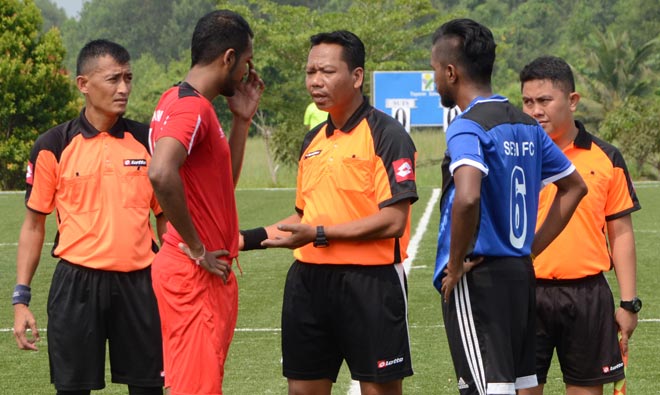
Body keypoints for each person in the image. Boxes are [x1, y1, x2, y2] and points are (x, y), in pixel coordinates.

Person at [241, 30, 418, 395]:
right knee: (303, 389)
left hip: (370, 285)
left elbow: (394, 221)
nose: (315, 82)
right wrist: (245, 239)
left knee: (379, 390)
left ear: (356, 77)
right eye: (310, 72)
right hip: (308, 284)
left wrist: (320, 235)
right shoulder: (313, 141)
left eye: (326, 72)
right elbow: (303, 219)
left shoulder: (387, 134)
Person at [430, 19, 588, 395]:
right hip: (519, 275)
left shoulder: (468, 126)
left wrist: (454, 265)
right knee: (522, 385)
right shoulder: (525, 124)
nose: (435, 78)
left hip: (479, 277)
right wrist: (529, 248)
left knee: (487, 388)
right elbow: (574, 186)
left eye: (435, 70)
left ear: (451, 72)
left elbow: (468, 196)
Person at [12, 39, 166, 395]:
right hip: (75, 285)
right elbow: (34, 224)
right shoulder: (53, 144)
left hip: (141, 285)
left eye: (128, 78)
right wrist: (21, 299)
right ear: (83, 84)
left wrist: (172, 276)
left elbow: (165, 216)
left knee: (149, 389)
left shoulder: (150, 141)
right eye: (113, 79)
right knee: (72, 390)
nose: (124, 88)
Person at [147, 9, 264, 395]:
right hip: (193, 272)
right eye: (245, 62)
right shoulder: (190, 107)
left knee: (203, 384)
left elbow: (220, 185)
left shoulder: (193, 104)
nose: (247, 73)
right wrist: (198, 249)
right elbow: (161, 173)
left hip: (205, 272)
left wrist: (241, 122)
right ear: (228, 58)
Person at [518, 56, 642, 395]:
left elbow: (620, 232)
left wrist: (629, 303)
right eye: (527, 101)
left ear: (572, 101)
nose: (535, 110)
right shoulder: (515, 154)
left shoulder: (606, 157)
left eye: (544, 100)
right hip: (526, 291)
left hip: (588, 295)